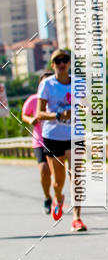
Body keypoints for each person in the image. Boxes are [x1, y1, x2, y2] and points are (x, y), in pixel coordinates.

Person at [35, 49, 87, 232]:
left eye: (65, 60)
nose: (62, 63)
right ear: (53, 65)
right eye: (58, 61)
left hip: (75, 135)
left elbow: (86, 105)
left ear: (69, 63)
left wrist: (88, 110)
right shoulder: (47, 84)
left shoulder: (78, 83)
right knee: (58, 181)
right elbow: (39, 113)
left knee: (76, 176)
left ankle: (77, 218)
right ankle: (58, 198)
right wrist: (58, 115)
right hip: (53, 136)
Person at [21, 71, 53, 213]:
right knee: (44, 170)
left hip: (56, 139)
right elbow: (24, 115)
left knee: (57, 173)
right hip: (40, 141)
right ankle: (47, 197)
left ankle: (58, 195)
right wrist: (30, 119)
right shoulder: (33, 100)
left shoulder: (57, 99)